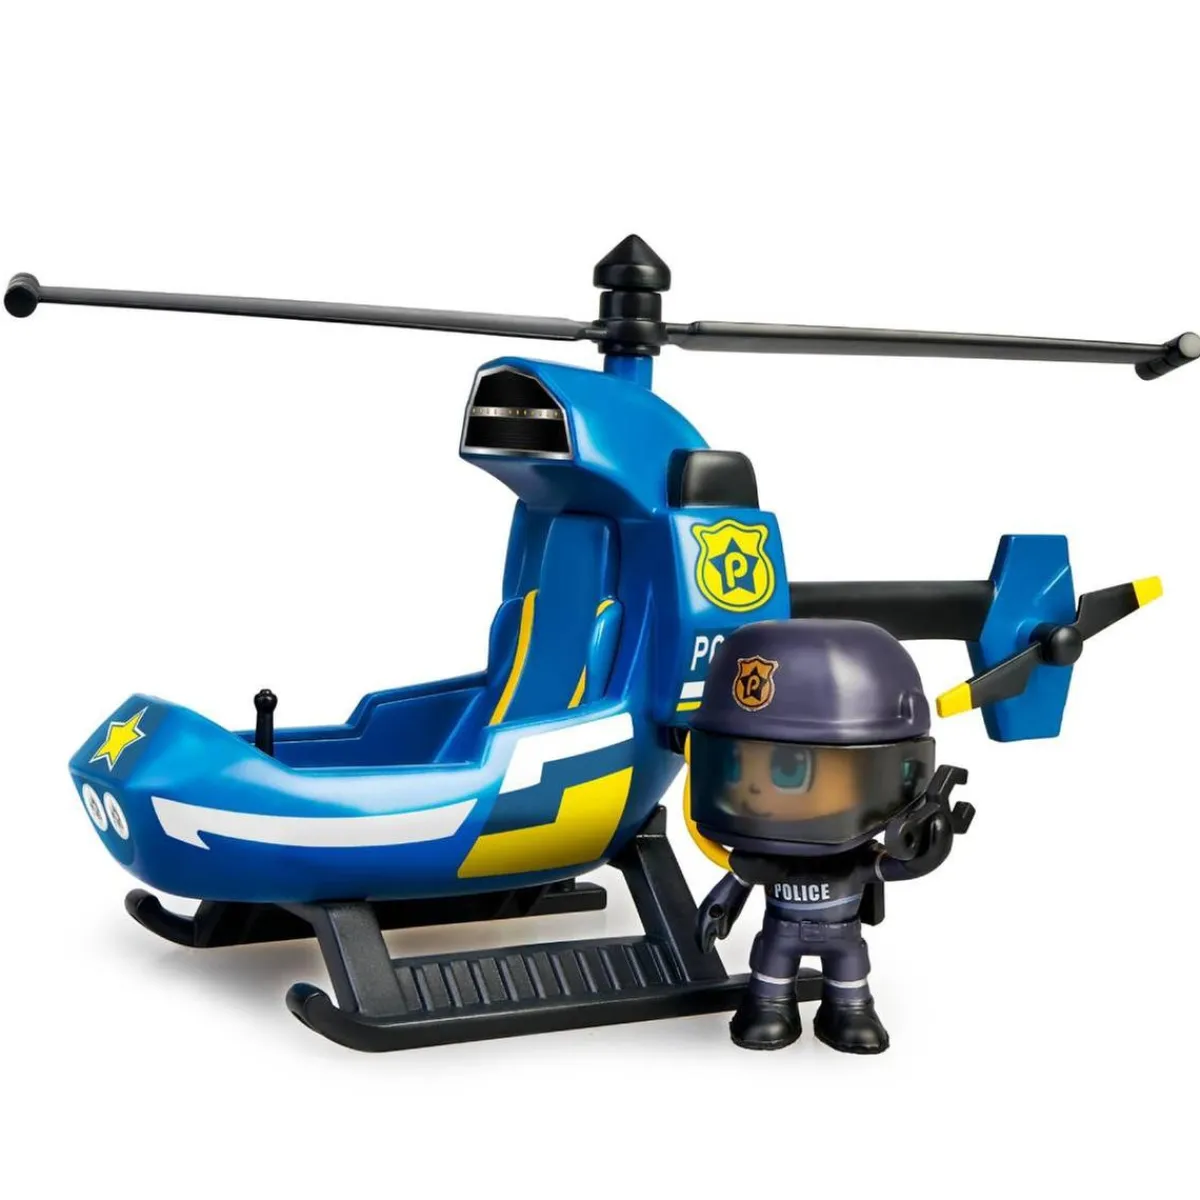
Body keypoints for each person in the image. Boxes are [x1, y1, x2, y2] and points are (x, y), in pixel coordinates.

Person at [685, 618, 972, 1053]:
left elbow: (897, 866)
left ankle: (849, 1010)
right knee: (770, 976)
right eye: (735, 766)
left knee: (850, 978)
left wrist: (929, 849)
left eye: (789, 769)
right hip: (779, 935)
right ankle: (768, 1006)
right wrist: (719, 906)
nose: (753, 789)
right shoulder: (761, 855)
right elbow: (737, 878)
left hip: (843, 938)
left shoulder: (851, 854)